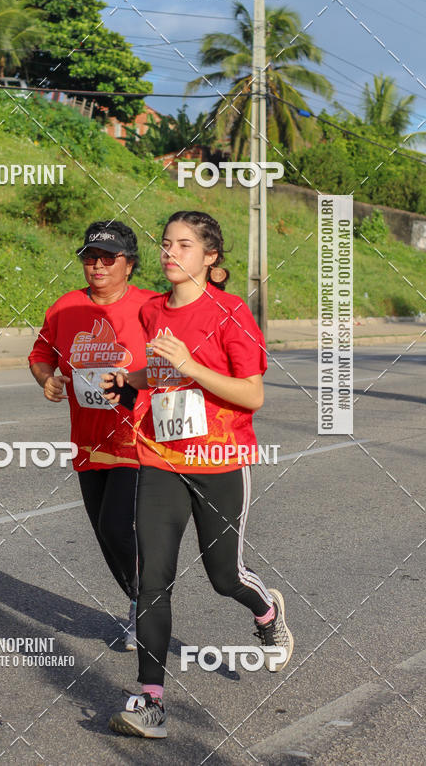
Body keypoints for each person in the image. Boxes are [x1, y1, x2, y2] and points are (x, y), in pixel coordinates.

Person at [104, 210, 293, 739]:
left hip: (219, 461)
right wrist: (129, 380)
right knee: (153, 579)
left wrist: (189, 365)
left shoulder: (231, 312)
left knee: (223, 577)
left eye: (184, 245)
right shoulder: (153, 311)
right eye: (165, 243)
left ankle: (265, 610)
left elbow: (251, 393)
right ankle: (150, 701)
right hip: (161, 458)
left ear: (210, 258)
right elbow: (160, 371)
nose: (170, 253)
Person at [28, 220, 156, 650]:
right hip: (87, 440)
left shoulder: (152, 306)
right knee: (104, 531)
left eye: (107, 258)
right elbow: (41, 352)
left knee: (118, 526)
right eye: (89, 258)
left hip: (138, 437)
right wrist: (46, 378)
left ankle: (148, 606)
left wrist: (136, 381)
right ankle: (141, 599)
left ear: (130, 264)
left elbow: (178, 361)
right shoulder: (65, 308)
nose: (97, 266)